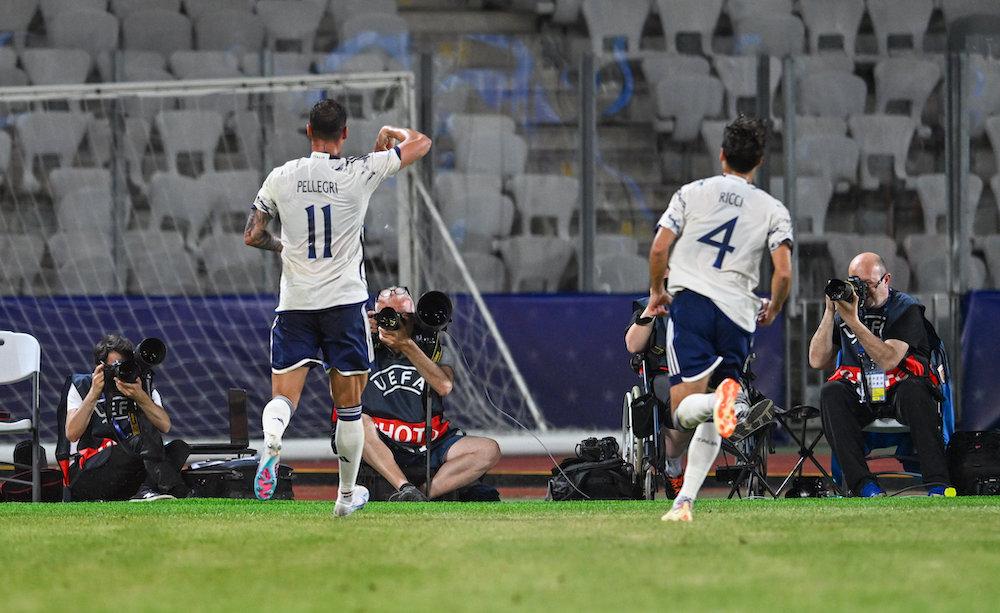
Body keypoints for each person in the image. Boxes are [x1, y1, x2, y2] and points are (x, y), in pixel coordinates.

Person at [244, 98, 431, 516]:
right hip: (344, 305)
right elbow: (421, 142)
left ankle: (273, 436)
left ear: (308, 132)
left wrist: (284, 248)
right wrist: (389, 133)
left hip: (295, 305)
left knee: (284, 400)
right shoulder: (359, 170)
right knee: (350, 409)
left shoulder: (282, 175)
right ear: (344, 134)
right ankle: (346, 498)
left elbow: (253, 234)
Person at [646, 114, 793, 522]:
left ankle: (720, 401)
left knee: (683, 409)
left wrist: (658, 290)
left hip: (693, 303)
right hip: (740, 315)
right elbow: (783, 272)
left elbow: (660, 250)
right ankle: (684, 502)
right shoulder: (772, 208)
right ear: (759, 161)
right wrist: (774, 307)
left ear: (722, 154)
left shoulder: (691, 193)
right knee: (717, 410)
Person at [808, 252, 950, 497]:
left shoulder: (906, 308)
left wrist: (853, 322)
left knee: (915, 391)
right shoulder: (847, 310)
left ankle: (938, 483)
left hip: (900, 391)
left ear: (886, 280)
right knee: (831, 392)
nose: (861, 291)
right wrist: (830, 312)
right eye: (855, 283)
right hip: (862, 391)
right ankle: (863, 485)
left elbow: (888, 360)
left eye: (867, 284)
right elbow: (817, 360)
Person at [354, 286, 501, 501]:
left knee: (489, 450)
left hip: (430, 442)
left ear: (414, 318)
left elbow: (444, 386)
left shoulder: (433, 348)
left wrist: (406, 344)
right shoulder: (361, 345)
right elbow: (337, 383)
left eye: (402, 316)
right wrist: (356, 332)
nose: (394, 323)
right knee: (356, 423)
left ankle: (421, 494)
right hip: (383, 441)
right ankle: (403, 487)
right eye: (387, 315)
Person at [65, 334, 190, 501]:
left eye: (124, 365)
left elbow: (165, 426)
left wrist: (140, 397)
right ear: (99, 367)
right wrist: (94, 394)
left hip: (130, 469)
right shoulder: (83, 386)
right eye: (114, 367)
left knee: (178, 447)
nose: (119, 371)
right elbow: (72, 433)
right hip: (92, 471)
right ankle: (177, 490)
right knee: (136, 443)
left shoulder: (140, 385)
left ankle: (146, 490)